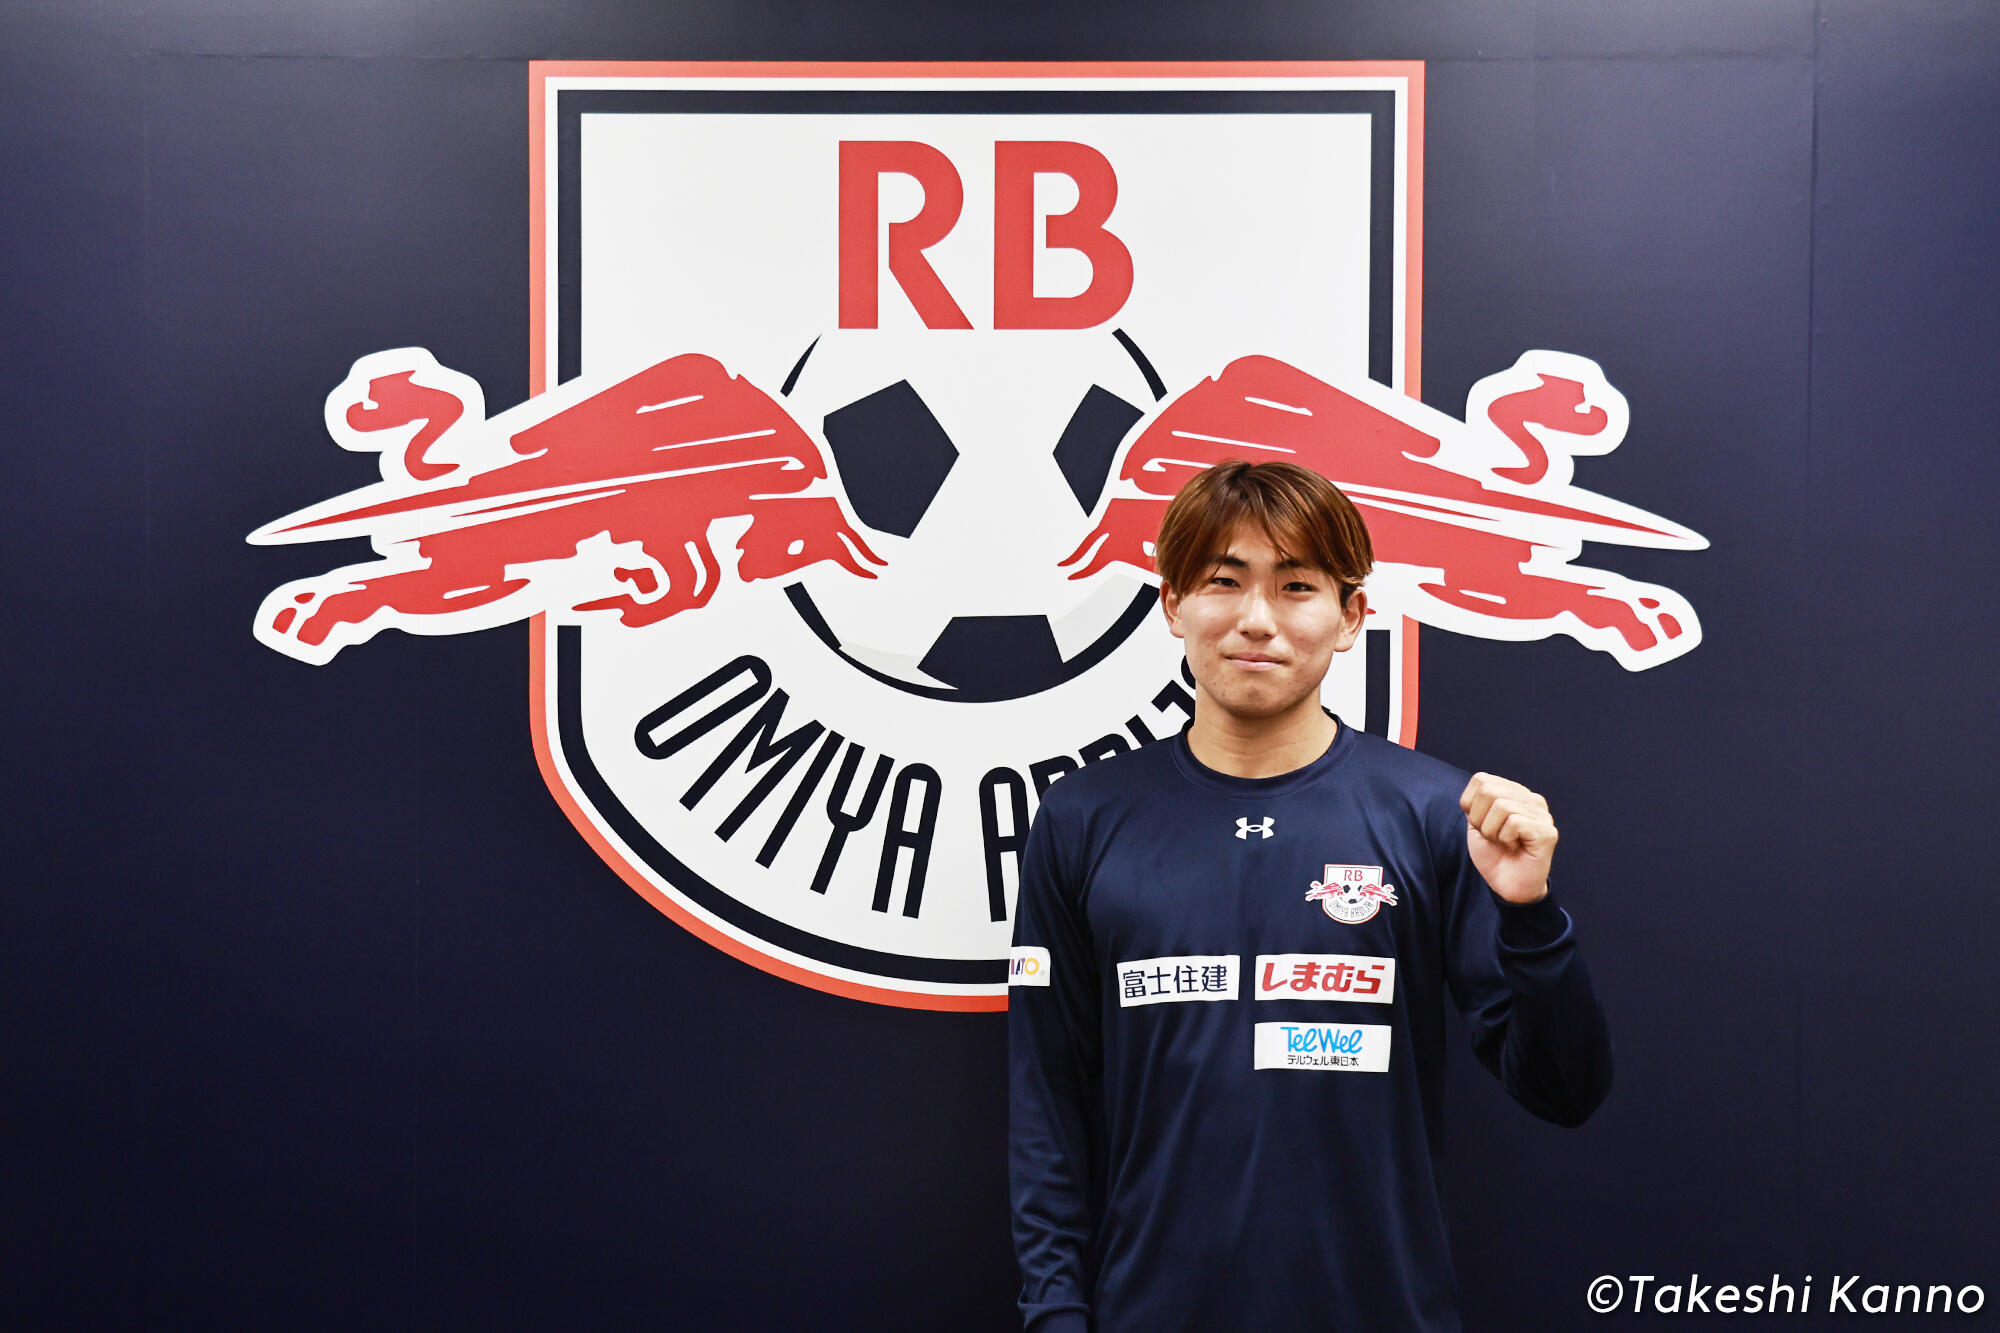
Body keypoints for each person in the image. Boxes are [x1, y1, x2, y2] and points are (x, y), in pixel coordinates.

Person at [1007, 460, 1613, 1333]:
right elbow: (1046, 1101)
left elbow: (1567, 1089)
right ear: (1173, 603)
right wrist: (1054, 1314)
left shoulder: (1437, 815)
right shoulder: (1083, 818)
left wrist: (1531, 913)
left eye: (1296, 586)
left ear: (1350, 615)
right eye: (1223, 581)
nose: (1257, 619)